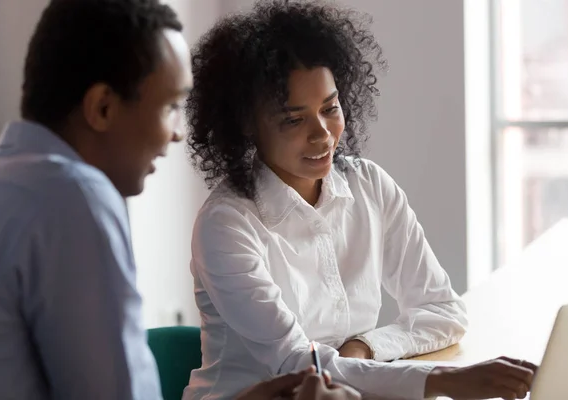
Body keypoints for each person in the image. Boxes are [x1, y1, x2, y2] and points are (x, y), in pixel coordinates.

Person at [0, 0, 358, 399]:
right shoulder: (76, 198)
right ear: (103, 108)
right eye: (169, 107)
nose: (178, 133)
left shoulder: (8, 183)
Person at [184, 1, 537, 399]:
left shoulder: (370, 186)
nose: (322, 134)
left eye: (330, 108)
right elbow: (299, 366)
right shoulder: (227, 224)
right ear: (246, 123)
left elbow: (443, 310)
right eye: (294, 119)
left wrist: (366, 347)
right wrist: (439, 379)